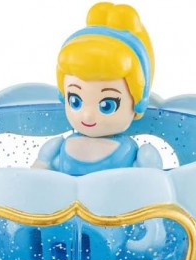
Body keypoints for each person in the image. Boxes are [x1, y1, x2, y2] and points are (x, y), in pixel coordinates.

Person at [34, 2, 161, 175]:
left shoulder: (135, 154)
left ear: (137, 102)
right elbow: (39, 174)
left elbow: (147, 182)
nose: (87, 115)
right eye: (75, 101)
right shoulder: (56, 148)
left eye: (107, 105)